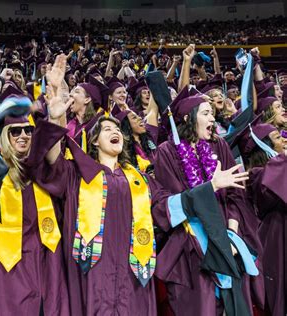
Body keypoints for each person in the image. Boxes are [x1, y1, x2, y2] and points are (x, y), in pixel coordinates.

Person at [34, 54, 252, 315]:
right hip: (92, 277)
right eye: (107, 129)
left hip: (132, 279)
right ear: (93, 142)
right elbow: (52, 160)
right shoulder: (79, 174)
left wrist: (210, 187)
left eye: (118, 130)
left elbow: (167, 207)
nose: (115, 132)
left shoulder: (140, 180)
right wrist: (56, 117)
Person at [154, 87, 264, 315]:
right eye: (205, 113)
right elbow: (171, 199)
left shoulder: (218, 145)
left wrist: (232, 234)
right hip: (192, 244)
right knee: (201, 306)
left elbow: (236, 193)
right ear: (188, 117)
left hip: (227, 239)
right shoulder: (167, 152)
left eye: (212, 113)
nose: (213, 117)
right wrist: (211, 187)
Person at [0, 94, 70, 315]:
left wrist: (56, 119)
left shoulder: (39, 170)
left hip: (43, 266)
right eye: (14, 131)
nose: (23, 135)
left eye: (28, 130)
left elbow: (57, 160)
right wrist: (6, 111)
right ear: (1, 135)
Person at [232, 118, 286, 316]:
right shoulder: (256, 176)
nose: (284, 140)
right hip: (274, 241)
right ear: (264, 146)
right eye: (278, 137)